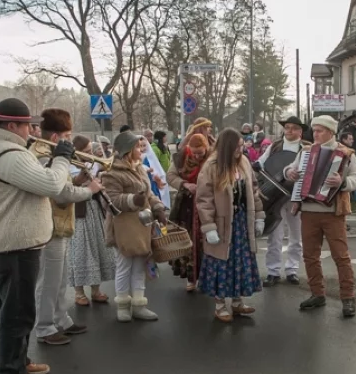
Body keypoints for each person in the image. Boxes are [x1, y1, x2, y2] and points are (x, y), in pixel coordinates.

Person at [0, 97, 90, 374]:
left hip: (13, 243)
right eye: (27, 126)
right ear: (11, 125)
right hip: (14, 245)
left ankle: (20, 361)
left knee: (18, 308)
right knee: (17, 312)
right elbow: (50, 185)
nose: (32, 131)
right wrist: (62, 158)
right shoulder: (9, 153)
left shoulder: (3, 149)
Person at [29, 109, 101, 346]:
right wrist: (89, 192)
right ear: (55, 138)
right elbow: (59, 193)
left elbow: (65, 184)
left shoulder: (55, 156)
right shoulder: (43, 157)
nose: (71, 140)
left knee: (60, 279)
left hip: (61, 223)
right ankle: (45, 327)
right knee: (48, 280)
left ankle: (61, 319)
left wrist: (80, 179)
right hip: (49, 225)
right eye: (67, 135)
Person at [285, 115, 356, 317]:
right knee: (310, 255)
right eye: (314, 130)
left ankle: (348, 298)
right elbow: (291, 170)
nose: (315, 134)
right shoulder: (305, 151)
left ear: (330, 131)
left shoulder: (346, 153)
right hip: (309, 211)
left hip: (333, 212)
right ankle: (317, 294)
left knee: (341, 256)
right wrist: (289, 173)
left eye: (319, 130)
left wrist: (342, 183)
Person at [196, 128, 264, 323]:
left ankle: (237, 302)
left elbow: (254, 190)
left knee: (240, 262)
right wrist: (208, 227)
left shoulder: (243, 162)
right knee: (222, 263)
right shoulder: (212, 166)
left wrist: (259, 216)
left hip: (241, 222)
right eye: (238, 147)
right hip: (222, 223)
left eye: (242, 146)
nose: (241, 150)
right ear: (227, 147)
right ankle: (219, 305)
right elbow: (204, 199)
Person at [102, 131, 168, 322]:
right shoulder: (112, 172)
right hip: (123, 225)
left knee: (140, 265)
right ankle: (123, 306)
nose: (142, 149)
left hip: (142, 224)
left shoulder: (140, 168)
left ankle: (139, 305)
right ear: (128, 150)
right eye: (138, 147)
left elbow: (149, 194)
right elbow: (111, 200)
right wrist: (133, 199)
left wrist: (158, 208)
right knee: (124, 266)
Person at [256, 116, 310, 288]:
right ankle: (273, 271)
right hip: (275, 197)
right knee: (275, 235)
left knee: (296, 235)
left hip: (296, 196)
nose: (290, 131)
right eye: (287, 127)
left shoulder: (306, 149)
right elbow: (262, 163)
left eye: (294, 128)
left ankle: (292, 270)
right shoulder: (275, 146)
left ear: (300, 131)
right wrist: (256, 165)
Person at [69, 138, 115, 307]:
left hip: (94, 208)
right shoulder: (70, 166)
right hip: (79, 211)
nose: (90, 154)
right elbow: (67, 189)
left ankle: (96, 290)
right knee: (81, 250)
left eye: (90, 150)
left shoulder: (93, 165)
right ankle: (79, 292)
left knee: (97, 247)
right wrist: (79, 181)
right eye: (86, 151)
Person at [167, 133, 210, 291]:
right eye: (195, 153)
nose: (198, 156)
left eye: (201, 153)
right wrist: (185, 184)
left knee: (206, 242)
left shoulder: (213, 159)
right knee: (188, 241)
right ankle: (191, 278)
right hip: (186, 205)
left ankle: (206, 278)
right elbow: (170, 176)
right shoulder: (181, 157)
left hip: (207, 205)